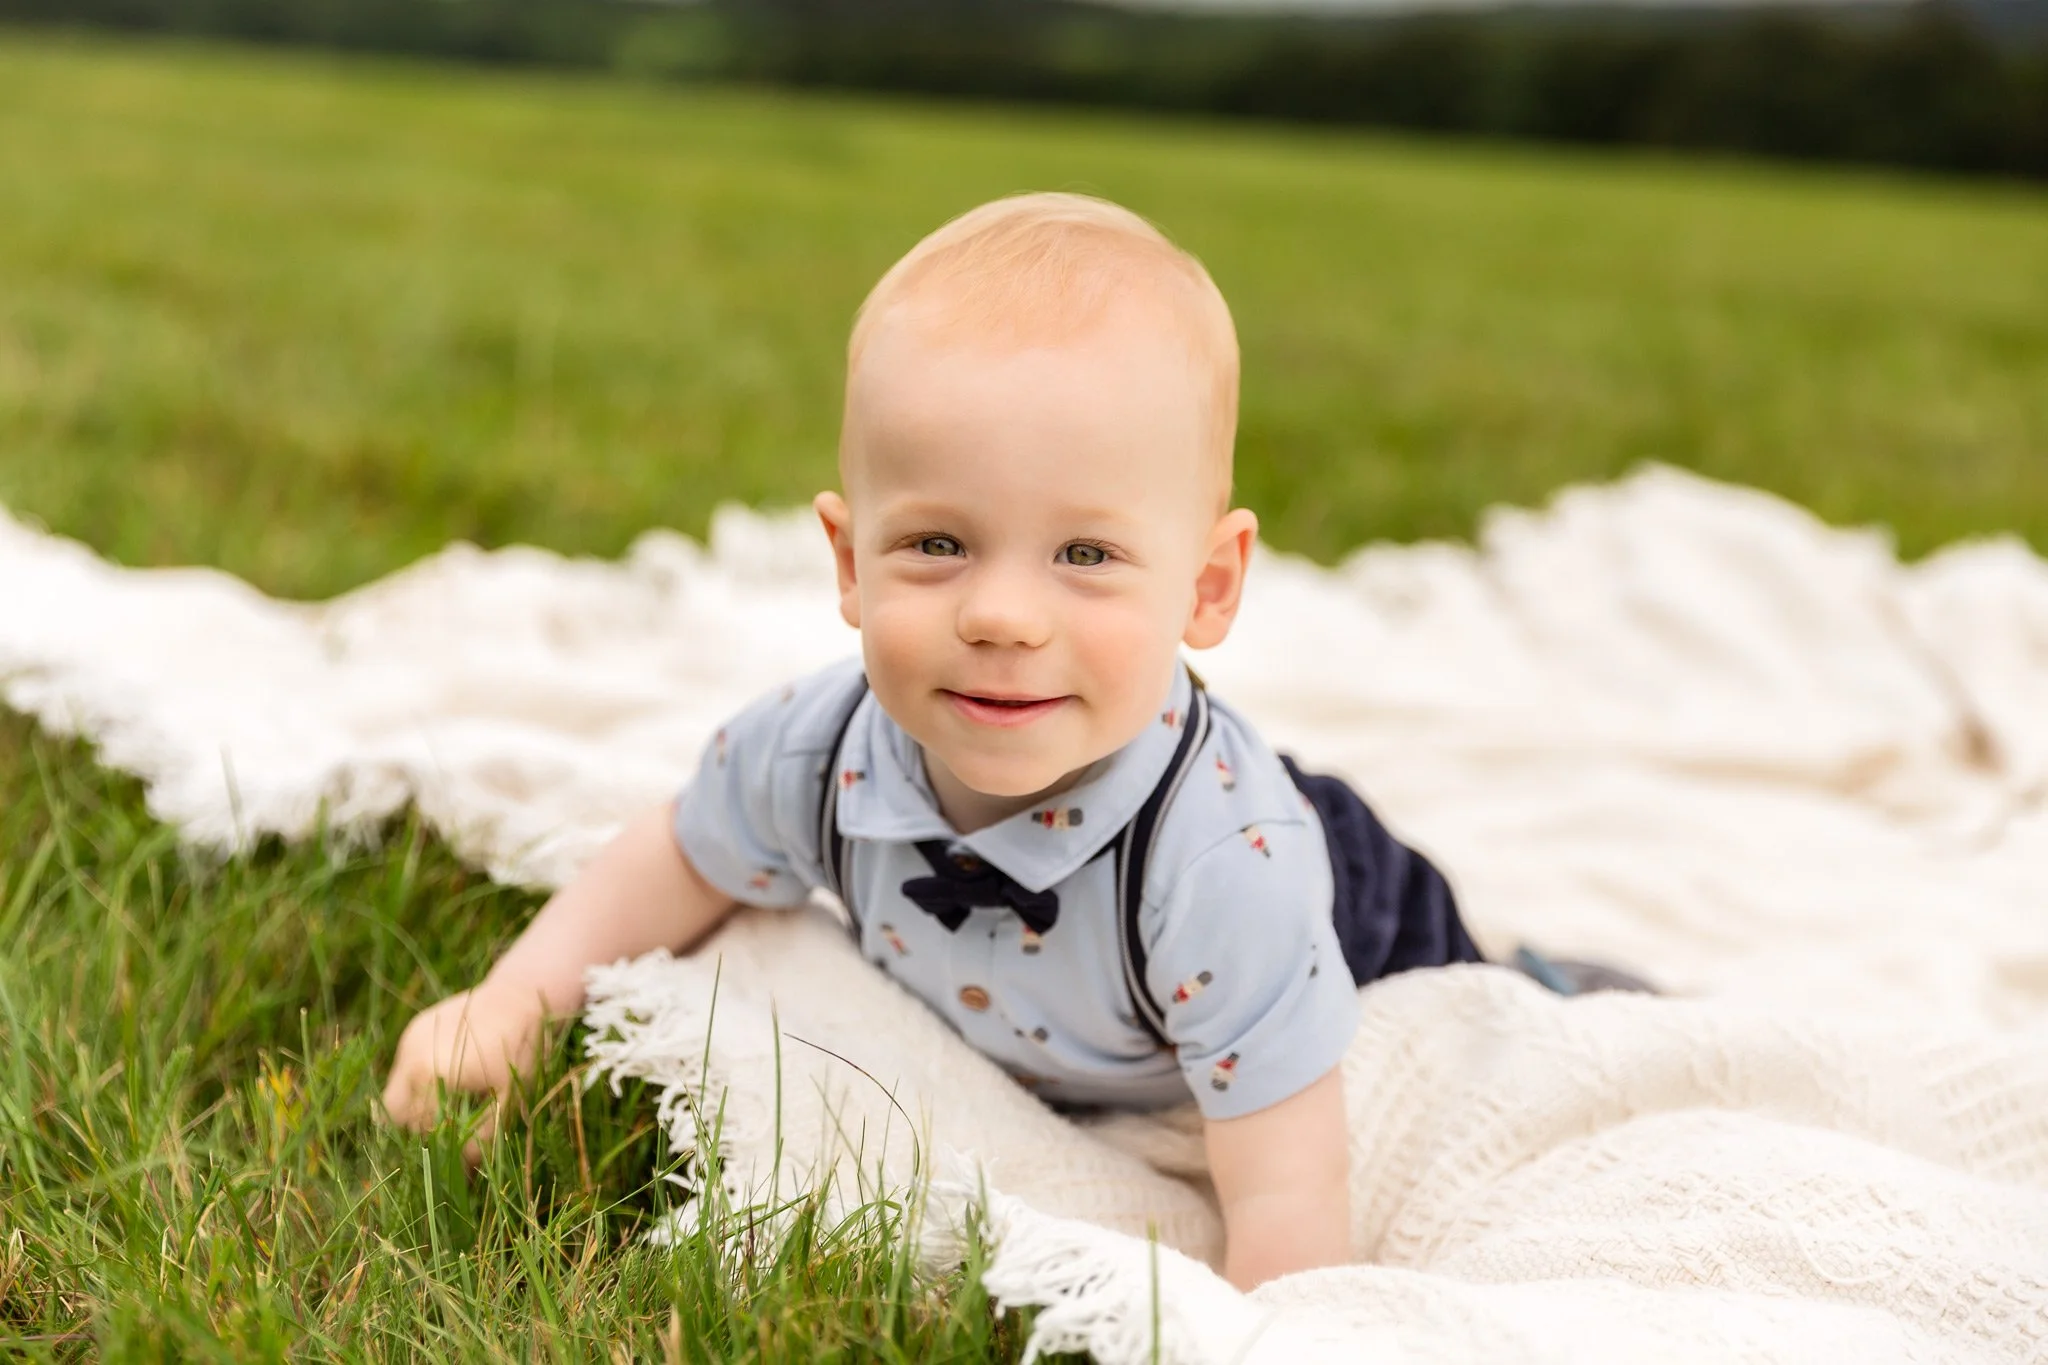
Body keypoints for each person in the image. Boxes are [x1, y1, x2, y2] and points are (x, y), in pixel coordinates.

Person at [384, 192, 1520, 1289]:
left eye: (1083, 555)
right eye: (937, 543)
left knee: (1498, 1001)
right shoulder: (816, 754)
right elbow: (680, 853)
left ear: (1206, 586)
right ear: (847, 561)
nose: (1000, 617)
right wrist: (515, 1002)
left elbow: (1285, 1189)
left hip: (1360, 908)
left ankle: (1552, 971)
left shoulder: (1227, 868)